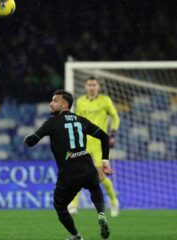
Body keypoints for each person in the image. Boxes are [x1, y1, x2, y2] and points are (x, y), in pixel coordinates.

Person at [24, 90, 112, 240]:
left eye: (55, 101)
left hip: (69, 173)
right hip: (87, 167)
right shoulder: (81, 120)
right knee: (94, 187)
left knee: (60, 206)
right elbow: (104, 137)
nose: (51, 104)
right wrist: (105, 161)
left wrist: (27, 139)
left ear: (65, 104)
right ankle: (101, 214)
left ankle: (76, 236)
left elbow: (32, 142)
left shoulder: (52, 123)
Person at [69, 77, 120, 217]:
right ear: (85, 87)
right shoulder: (80, 102)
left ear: (98, 87)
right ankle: (73, 204)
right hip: (84, 143)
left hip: (99, 144)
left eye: (94, 85)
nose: (92, 87)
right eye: (89, 85)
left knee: (101, 176)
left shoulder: (105, 100)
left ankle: (114, 201)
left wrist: (113, 134)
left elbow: (115, 117)